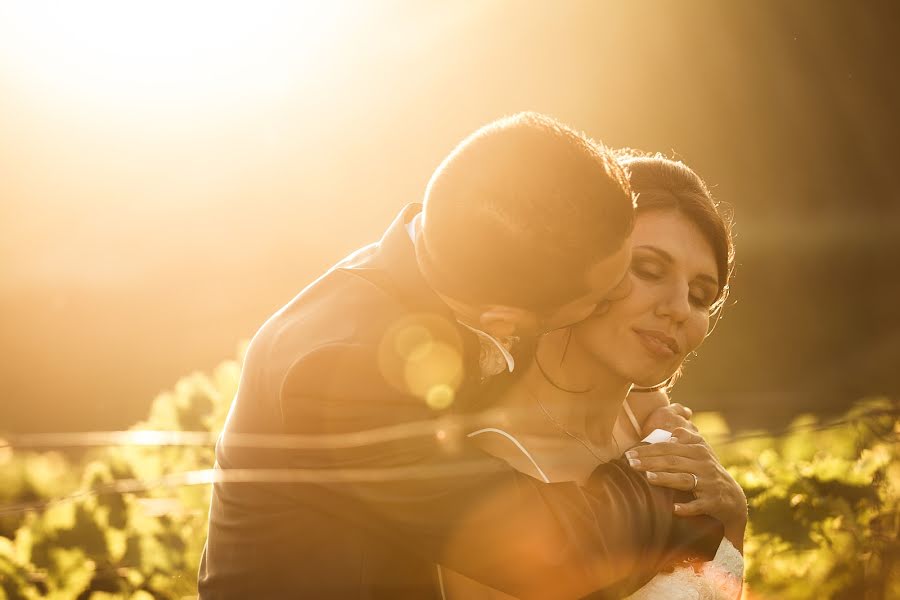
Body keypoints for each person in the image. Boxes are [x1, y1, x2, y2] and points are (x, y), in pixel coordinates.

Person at [198, 114, 724, 599]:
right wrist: (674, 483)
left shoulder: (474, 246)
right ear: (508, 320)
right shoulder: (339, 371)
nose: (620, 298)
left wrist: (648, 404)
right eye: (609, 290)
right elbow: (552, 549)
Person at [438, 152, 745, 599]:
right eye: (648, 270)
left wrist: (733, 515)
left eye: (701, 295)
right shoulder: (499, 462)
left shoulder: (662, 435)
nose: (679, 308)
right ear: (579, 266)